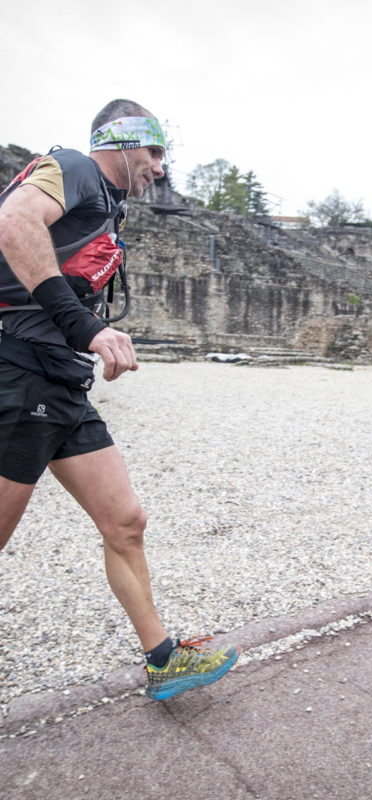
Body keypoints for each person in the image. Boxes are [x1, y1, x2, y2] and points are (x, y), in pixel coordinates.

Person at [0, 99, 239, 701]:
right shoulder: (74, 165)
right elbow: (12, 223)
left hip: (61, 380)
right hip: (18, 370)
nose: (159, 168)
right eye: (155, 152)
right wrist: (87, 330)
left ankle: (162, 660)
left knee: (126, 522)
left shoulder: (109, 208)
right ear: (125, 140)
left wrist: (91, 337)